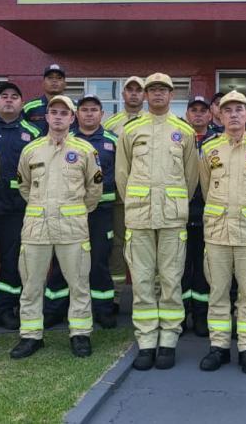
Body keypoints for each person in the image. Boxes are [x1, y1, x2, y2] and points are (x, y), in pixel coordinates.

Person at [115, 73, 198, 371]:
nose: (158, 94)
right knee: (142, 280)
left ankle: (168, 341)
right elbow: (122, 174)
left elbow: (191, 179)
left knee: (171, 279)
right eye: (153, 90)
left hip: (173, 217)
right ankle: (147, 341)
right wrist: (137, 202)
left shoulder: (184, 131)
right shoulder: (131, 130)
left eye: (164, 90)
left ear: (172, 95)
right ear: (146, 95)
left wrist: (174, 203)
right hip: (139, 216)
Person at [9, 95, 101, 359]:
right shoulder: (31, 150)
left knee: (79, 283)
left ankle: (80, 334)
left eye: (64, 113)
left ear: (72, 118)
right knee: (31, 284)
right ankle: (31, 336)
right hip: (37, 228)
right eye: (54, 112)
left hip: (72, 227)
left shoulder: (85, 151)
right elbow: (24, 186)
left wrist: (76, 211)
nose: (59, 117)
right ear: (47, 117)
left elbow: (93, 189)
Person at [197, 91, 246, 374]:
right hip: (217, 232)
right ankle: (218, 347)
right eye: (227, 109)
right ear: (219, 114)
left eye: (238, 109)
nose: (233, 114)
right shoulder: (209, 149)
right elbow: (206, 188)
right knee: (218, 292)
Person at [43, 94, 118, 330]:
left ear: (101, 114)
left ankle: (103, 310)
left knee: (98, 262)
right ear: (77, 114)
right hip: (68, 213)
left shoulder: (112, 140)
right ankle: (55, 308)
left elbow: (120, 173)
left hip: (101, 212)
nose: (89, 114)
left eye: (94, 110)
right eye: (84, 109)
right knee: (61, 262)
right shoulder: (66, 139)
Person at [0, 82, 40, 330]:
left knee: (11, 263)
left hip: (16, 210)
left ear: (21, 104)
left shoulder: (32, 133)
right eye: (4, 96)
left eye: (14, 97)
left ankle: (5, 309)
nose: (9, 100)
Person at [103, 76, 146, 315]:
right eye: (129, 90)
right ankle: (117, 295)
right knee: (118, 247)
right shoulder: (111, 124)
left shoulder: (152, 123)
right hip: (119, 199)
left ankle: (148, 296)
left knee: (144, 248)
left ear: (144, 95)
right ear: (122, 94)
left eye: (138, 90)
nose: (133, 94)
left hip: (145, 199)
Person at [183, 95, 215, 336]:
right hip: (181, 213)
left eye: (202, 111)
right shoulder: (179, 139)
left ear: (210, 115)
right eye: (193, 110)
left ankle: (202, 316)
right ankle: (182, 315)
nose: (198, 114)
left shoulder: (218, 141)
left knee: (204, 270)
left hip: (208, 214)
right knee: (181, 269)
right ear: (187, 115)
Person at [23, 64, 68, 135]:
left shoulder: (73, 108)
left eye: (59, 78)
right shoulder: (29, 107)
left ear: (65, 84)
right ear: (43, 83)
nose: (54, 81)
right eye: (50, 78)